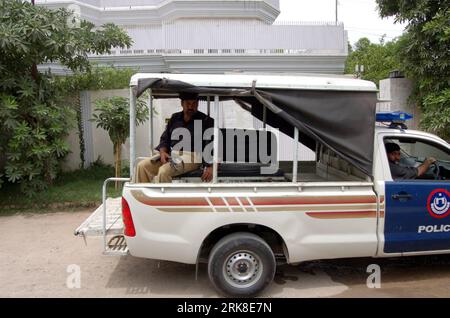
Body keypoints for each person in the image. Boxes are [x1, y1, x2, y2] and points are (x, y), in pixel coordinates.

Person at [135, 92, 214, 183]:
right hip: (172, 154)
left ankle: (163, 197)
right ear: (182, 104)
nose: (190, 107)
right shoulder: (175, 118)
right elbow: (165, 138)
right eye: (188, 103)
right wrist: (163, 152)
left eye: (194, 104)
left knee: (164, 171)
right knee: (142, 166)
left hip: (193, 156)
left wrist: (211, 166)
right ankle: (143, 196)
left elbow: (213, 145)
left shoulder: (206, 121)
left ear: (197, 104)